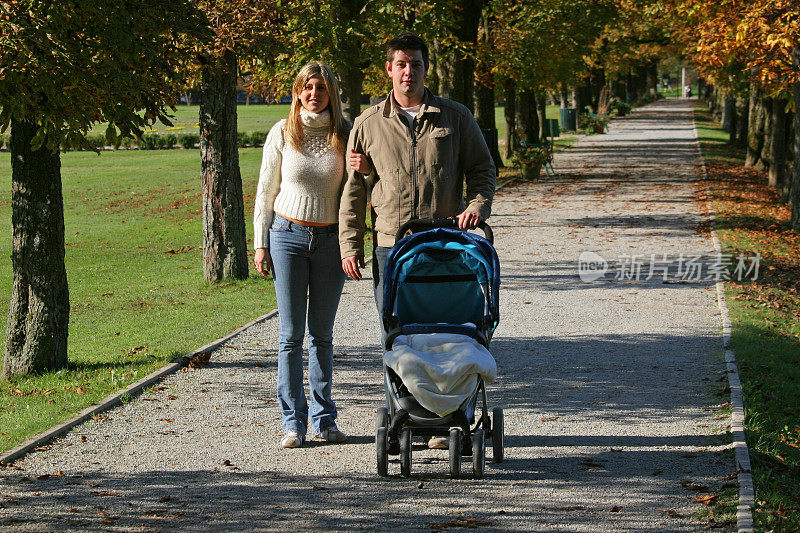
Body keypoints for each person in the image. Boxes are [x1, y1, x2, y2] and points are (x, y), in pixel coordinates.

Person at [338, 32, 496, 448]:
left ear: (427, 69)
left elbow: (483, 170)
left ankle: (451, 415)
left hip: (446, 245)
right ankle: (403, 416)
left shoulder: (455, 117)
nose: (410, 72)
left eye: (418, 64)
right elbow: (354, 192)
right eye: (402, 64)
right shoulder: (368, 124)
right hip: (392, 248)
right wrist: (350, 245)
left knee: (447, 330)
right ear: (389, 69)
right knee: (398, 334)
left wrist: (478, 206)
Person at [253, 62, 349, 449]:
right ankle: (293, 423)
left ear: (331, 94)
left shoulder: (344, 133)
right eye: (308, 88)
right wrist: (260, 241)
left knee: (321, 336)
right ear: (297, 91)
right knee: (290, 336)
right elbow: (265, 190)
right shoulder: (282, 132)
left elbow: (359, 185)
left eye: (322, 89)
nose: (314, 95)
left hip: (330, 242)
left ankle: (325, 420)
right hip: (287, 237)